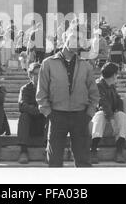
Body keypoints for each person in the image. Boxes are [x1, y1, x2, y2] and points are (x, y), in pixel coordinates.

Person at [36, 29, 100, 167]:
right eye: (72, 37)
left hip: (80, 116)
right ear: (63, 39)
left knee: (83, 161)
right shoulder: (48, 64)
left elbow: (94, 93)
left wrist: (89, 114)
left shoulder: (86, 65)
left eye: (78, 39)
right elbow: (41, 93)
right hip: (57, 115)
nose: (75, 41)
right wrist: (49, 113)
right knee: (54, 161)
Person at [90, 63, 126, 164]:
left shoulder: (111, 86)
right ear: (113, 75)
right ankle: (93, 149)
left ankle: (119, 151)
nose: (117, 76)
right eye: (116, 74)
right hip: (96, 121)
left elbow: (118, 101)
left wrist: (118, 111)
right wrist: (112, 120)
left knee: (122, 116)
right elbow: (103, 104)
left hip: (109, 118)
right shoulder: (98, 85)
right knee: (100, 115)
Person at [17, 62, 47, 164]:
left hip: (43, 123)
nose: (38, 77)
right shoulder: (25, 89)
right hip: (30, 125)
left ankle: (49, 150)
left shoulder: (48, 89)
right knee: (24, 116)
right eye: (36, 74)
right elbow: (22, 105)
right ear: (30, 75)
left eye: (41, 74)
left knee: (51, 115)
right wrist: (39, 110)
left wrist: (43, 110)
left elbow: (52, 104)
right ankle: (23, 151)